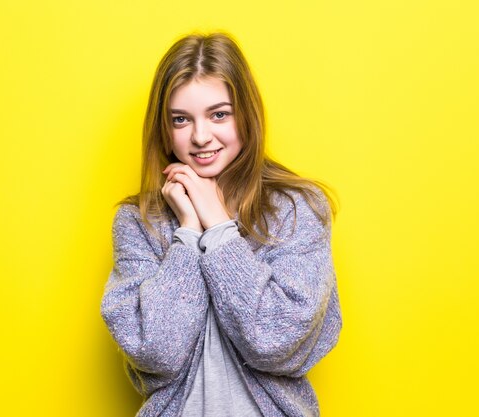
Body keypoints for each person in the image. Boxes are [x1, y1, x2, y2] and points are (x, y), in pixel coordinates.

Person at [101, 31, 343, 417]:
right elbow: (156, 350)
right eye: (181, 119)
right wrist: (188, 233)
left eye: (219, 114)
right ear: (163, 128)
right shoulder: (138, 223)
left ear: (246, 113)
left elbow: (274, 338)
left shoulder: (298, 210)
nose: (200, 137)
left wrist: (217, 226)